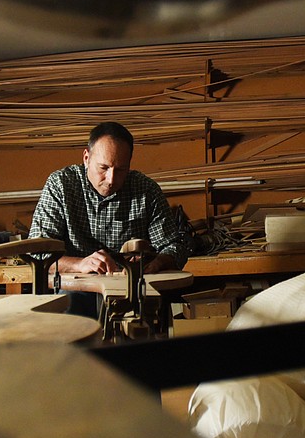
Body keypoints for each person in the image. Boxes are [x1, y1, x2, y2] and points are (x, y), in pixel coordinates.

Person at [30, 121, 189, 317]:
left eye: (121, 170)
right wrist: (80, 264)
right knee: (71, 313)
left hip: (131, 287)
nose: (112, 179)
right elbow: (38, 252)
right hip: (78, 286)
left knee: (149, 320)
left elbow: (176, 246)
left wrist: (155, 263)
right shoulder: (61, 185)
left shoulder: (145, 190)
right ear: (86, 158)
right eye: (103, 167)